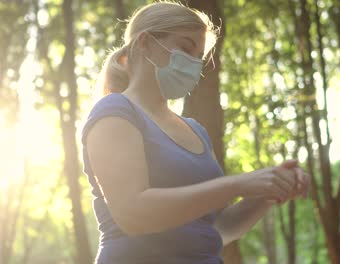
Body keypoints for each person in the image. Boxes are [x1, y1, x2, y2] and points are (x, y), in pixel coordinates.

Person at [81, 1, 310, 263]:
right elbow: (132, 213)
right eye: (185, 48)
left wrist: (269, 191)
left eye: (198, 56)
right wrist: (237, 184)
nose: (193, 64)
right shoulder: (115, 111)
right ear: (144, 43)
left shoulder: (195, 130)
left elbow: (216, 230)